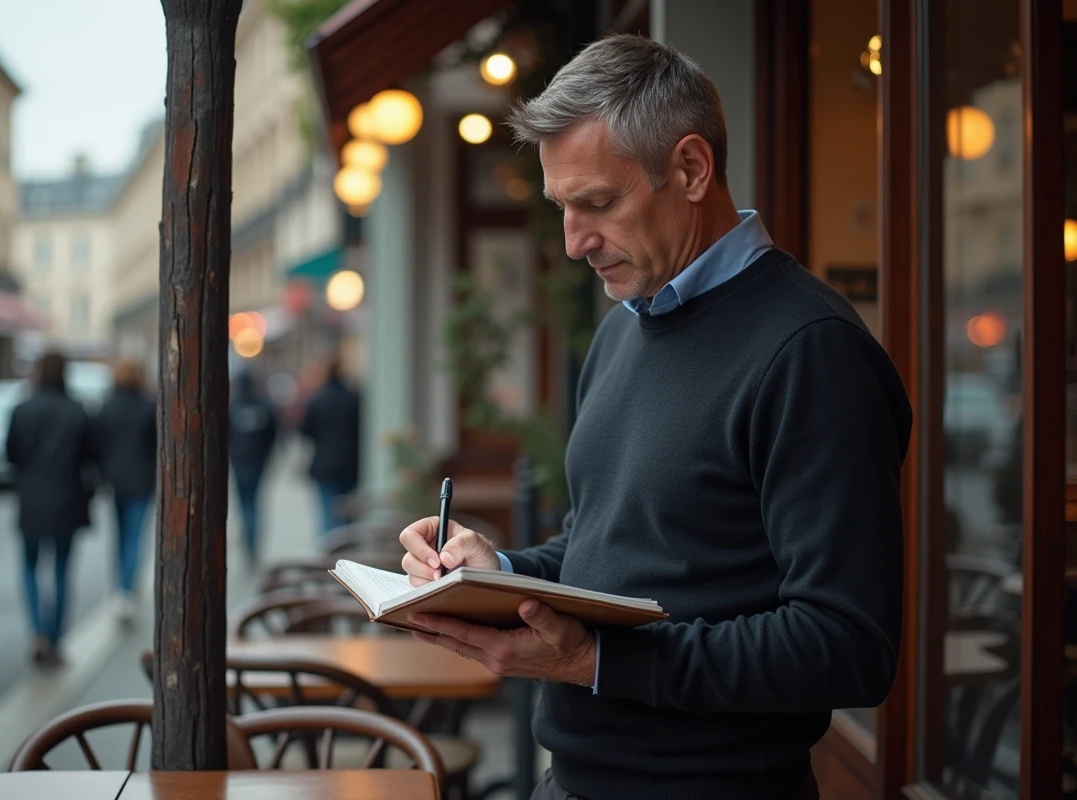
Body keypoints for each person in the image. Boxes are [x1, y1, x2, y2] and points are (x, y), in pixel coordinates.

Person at [397, 34, 913, 800]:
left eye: (599, 203)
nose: (575, 242)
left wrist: (595, 662)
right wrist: (496, 576)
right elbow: (606, 547)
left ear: (692, 169)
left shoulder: (812, 351)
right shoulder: (623, 330)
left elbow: (848, 647)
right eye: (562, 208)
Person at [5, 352, 98, 666]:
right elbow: (90, 457)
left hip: (31, 501)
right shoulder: (77, 411)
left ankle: (38, 631)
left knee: (29, 567)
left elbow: (10, 454)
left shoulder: (22, 410)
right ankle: (55, 639)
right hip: (67, 502)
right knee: (61, 572)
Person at [94, 358, 157, 624]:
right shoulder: (149, 407)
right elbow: (156, 446)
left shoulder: (107, 407)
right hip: (142, 481)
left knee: (119, 538)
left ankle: (121, 589)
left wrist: (102, 475)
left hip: (115, 482)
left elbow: (97, 446)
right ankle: (126, 591)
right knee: (134, 537)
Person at [298, 356, 361, 534]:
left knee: (327, 513)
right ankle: (346, 545)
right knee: (348, 513)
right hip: (350, 464)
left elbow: (305, 431)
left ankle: (330, 547)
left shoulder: (317, 400)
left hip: (324, 465)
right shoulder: (354, 399)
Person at [228, 369, 279, 564]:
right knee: (254, 503)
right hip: (257, 461)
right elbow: (272, 433)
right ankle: (252, 540)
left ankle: (248, 538)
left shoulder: (233, 406)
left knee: (244, 503)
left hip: (240, 461)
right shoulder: (263, 405)